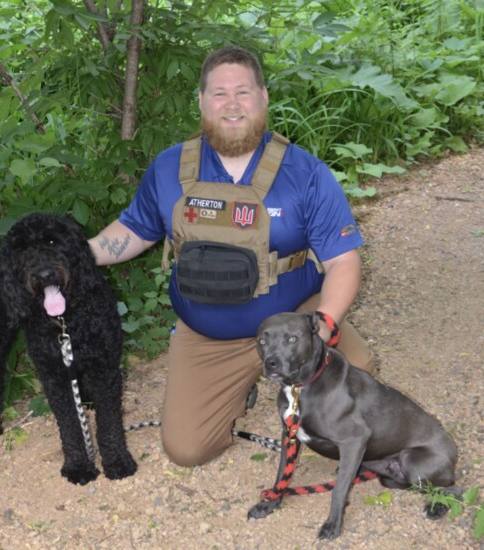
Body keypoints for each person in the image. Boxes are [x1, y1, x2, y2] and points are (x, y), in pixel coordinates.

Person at [88, 45, 374, 467]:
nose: (232, 104)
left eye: (243, 91)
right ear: (201, 101)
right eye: (219, 94)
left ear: (264, 97)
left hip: (293, 321)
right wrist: (78, 256)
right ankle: (242, 383)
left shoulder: (305, 173)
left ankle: (296, 383)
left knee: (360, 375)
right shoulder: (170, 167)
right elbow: (133, 230)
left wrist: (325, 326)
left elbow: (343, 262)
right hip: (209, 335)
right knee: (187, 450)